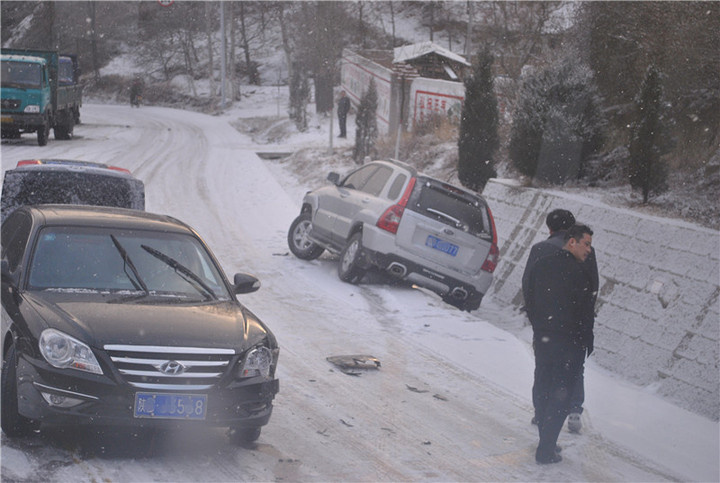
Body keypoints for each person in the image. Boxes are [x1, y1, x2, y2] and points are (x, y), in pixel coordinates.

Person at [522, 209, 599, 433]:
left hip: (547, 323)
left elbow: (529, 285)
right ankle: (574, 410)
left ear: (550, 228)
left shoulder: (540, 249)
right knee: (574, 367)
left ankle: (541, 412)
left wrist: (535, 317)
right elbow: (592, 285)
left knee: (544, 367)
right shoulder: (586, 250)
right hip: (573, 324)